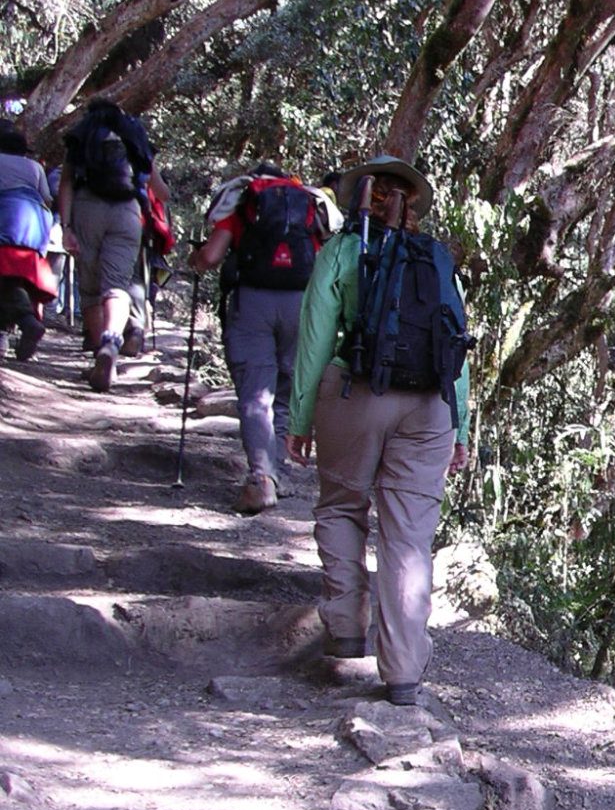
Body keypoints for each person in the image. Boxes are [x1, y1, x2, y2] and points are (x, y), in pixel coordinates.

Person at [285, 155, 471, 706]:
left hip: (355, 394)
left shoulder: (343, 252)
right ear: (413, 206)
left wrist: (300, 419)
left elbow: (317, 338)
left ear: (358, 198)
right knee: (409, 537)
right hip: (429, 408)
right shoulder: (437, 261)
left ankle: (345, 628)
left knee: (343, 505)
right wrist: (457, 428)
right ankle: (404, 674)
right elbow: (454, 347)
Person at [195, 163, 339, 513]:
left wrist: (195, 258)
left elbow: (211, 257)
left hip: (253, 303)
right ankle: (277, 472)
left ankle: (261, 478)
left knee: (256, 391)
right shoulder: (308, 205)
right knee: (286, 390)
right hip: (302, 307)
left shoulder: (245, 203)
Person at [58, 97, 155, 390]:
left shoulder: (83, 135)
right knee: (117, 284)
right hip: (127, 212)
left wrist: (66, 227)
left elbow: (66, 184)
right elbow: (156, 185)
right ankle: (111, 345)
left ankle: (101, 354)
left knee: (90, 288)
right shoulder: (133, 135)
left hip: (88, 208)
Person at [0, 121, 57, 360]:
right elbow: (47, 198)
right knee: (13, 281)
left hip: (7, 219)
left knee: (6, 281)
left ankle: (26, 321)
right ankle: (8, 335)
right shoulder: (35, 167)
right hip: (35, 226)